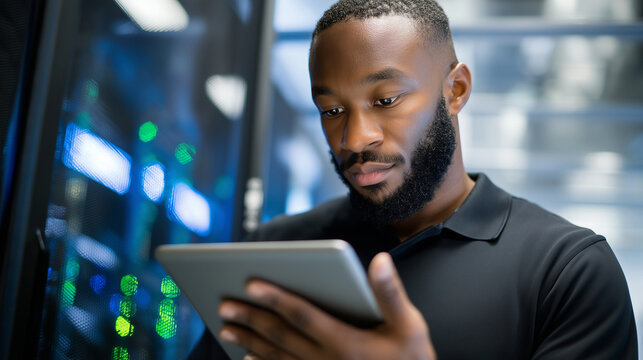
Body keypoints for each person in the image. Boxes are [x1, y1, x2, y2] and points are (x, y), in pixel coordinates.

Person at [189, 0, 638, 358]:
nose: (354, 138)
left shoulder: (567, 272)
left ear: (455, 90)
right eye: (331, 110)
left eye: (385, 100)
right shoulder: (276, 253)